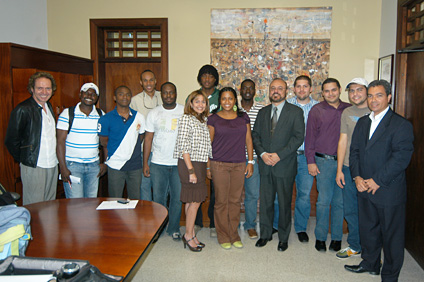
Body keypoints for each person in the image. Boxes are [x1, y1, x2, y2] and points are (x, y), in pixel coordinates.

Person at [345, 80, 414, 281]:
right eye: (371, 96)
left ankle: (390, 275)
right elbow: (355, 151)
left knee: (391, 236)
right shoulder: (363, 122)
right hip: (364, 187)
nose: (374, 100)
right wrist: (357, 176)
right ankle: (370, 263)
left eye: (379, 95)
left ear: (389, 97)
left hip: (387, 189)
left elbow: (401, 157)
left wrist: (377, 180)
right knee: (368, 230)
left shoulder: (401, 124)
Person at [252, 78, 304, 252]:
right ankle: (265, 234)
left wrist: (279, 155)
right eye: (273, 88)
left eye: (280, 88)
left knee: (284, 203)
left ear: (286, 91)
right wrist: (263, 154)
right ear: (269, 91)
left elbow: (298, 137)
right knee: (265, 202)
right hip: (265, 164)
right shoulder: (263, 112)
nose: (276, 91)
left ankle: (283, 238)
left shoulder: (295, 112)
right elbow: (255, 136)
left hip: (285, 165)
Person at [305, 78, 351, 252]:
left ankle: (337, 238)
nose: (330, 93)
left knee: (339, 202)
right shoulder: (317, 110)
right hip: (323, 162)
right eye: (327, 91)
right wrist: (311, 161)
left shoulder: (348, 109)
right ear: (322, 93)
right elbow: (309, 138)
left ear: (339, 90)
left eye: (333, 90)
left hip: (344, 163)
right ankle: (321, 237)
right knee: (323, 201)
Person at [208, 87, 254, 249]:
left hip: (239, 164)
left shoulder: (243, 117)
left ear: (235, 100)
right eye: (224, 99)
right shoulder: (213, 119)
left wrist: (250, 162)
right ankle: (223, 235)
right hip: (218, 164)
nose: (227, 102)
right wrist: (208, 166)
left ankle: (233, 233)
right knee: (221, 201)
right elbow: (209, 143)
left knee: (235, 201)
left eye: (230, 98)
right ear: (220, 101)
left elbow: (249, 140)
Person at [5, 72, 58, 205]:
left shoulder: (49, 106)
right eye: (40, 88)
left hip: (52, 163)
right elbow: (11, 141)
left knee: (50, 204)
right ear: (32, 89)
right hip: (34, 165)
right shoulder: (22, 109)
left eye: (48, 88)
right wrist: (25, 158)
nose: (44, 92)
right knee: (35, 206)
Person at [143, 82, 184, 240]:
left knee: (177, 198)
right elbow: (148, 139)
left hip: (178, 163)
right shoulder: (154, 113)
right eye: (165, 93)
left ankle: (173, 228)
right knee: (158, 198)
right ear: (161, 95)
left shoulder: (184, 111)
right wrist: (145, 162)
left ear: (176, 94)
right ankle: (158, 228)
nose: (168, 95)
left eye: (171, 92)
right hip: (158, 162)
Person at [335, 78, 369, 259]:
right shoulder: (347, 112)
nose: (355, 94)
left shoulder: (376, 111)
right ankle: (355, 245)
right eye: (352, 91)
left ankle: (371, 248)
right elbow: (343, 141)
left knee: (370, 211)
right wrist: (340, 169)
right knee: (350, 209)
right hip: (348, 168)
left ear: (367, 91)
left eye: (359, 90)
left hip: (370, 171)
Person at [174, 90, 212, 252]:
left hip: (200, 163)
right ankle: (188, 235)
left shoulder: (203, 120)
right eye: (197, 101)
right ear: (190, 103)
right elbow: (184, 146)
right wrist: (191, 171)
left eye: (203, 102)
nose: (200, 104)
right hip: (189, 163)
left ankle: (191, 234)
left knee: (192, 201)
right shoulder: (186, 119)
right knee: (195, 202)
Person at [56, 83, 106, 198]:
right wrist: (63, 168)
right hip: (72, 166)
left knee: (91, 204)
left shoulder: (101, 115)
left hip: (94, 166)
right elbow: (60, 142)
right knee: (75, 205)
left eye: (93, 94)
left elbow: (105, 142)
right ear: (80, 94)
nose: (89, 95)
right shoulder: (68, 114)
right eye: (86, 92)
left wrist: (105, 163)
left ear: (97, 98)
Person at [287, 75, 319, 243]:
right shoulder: (286, 106)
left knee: (304, 195)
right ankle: (279, 225)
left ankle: (300, 228)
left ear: (310, 89)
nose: (301, 89)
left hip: (307, 158)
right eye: (298, 86)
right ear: (294, 89)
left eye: (305, 86)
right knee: (282, 192)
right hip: (287, 157)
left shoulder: (318, 108)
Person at [98, 86, 145, 199]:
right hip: (115, 165)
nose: (125, 97)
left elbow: (141, 137)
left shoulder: (139, 117)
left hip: (135, 165)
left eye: (128, 94)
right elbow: (104, 142)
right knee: (115, 200)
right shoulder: (106, 118)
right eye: (121, 94)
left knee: (135, 199)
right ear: (115, 97)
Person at [193, 64, 220, 237]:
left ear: (215, 79)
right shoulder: (194, 96)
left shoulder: (222, 95)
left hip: (218, 148)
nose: (207, 78)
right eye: (204, 75)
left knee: (216, 189)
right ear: (200, 78)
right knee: (196, 186)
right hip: (198, 148)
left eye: (211, 76)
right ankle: (196, 222)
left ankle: (212, 223)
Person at [130, 70, 161, 201]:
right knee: (145, 185)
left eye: (151, 80)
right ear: (141, 83)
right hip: (144, 151)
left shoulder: (164, 95)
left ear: (155, 81)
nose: (149, 83)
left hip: (161, 151)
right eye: (145, 80)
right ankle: (148, 218)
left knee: (161, 187)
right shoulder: (135, 101)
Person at [239, 79, 264, 239]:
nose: (248, 90)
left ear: (255, 91)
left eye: (251, 88)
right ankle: (231, 225)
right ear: (240, 90)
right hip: (233, 159)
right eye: (245, 88)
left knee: (253, 195)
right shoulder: (232, 108)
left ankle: (250, 225)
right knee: (232, 196)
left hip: (253, 159)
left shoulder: (261, 110)